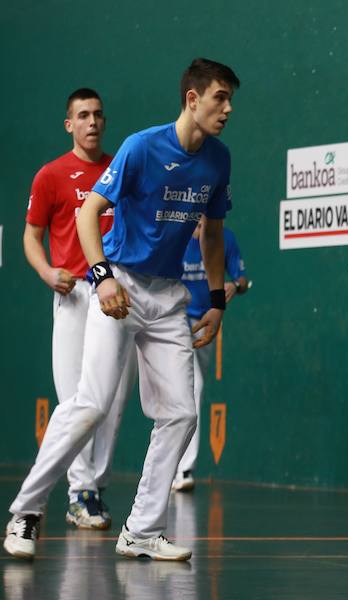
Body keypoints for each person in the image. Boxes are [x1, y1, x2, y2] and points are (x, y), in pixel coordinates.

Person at [4, 58, 240, 561]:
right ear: (192, 99)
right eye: (219, 98)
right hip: (121, 286)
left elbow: (213, 235)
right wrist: (102, 275)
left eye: (230, 99)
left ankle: (142, 529)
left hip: (169, 296)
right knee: (90, 403)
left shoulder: (218, 159)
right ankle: (26, 510)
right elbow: (89, 212)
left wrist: (217, 301)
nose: (227, 108)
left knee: (180, 412)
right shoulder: (141, 147)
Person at [22, 88, 137, 531]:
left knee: (111, 398)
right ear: (69, 124)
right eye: (83, 115)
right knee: (75, 398)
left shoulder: (120, 169)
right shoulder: (51, 175)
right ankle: (79, 491)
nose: (92, 122)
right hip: (72, 295)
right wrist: (47, 272)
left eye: (98, 115)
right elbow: (31, 236)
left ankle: (95, 488)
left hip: (116, 294)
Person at [172, 216, 248, 492]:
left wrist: (234, 286)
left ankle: (177, 465)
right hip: (176, 319)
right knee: (192, 388)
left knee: (190, 391)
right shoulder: (175, 237)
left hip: (209, 323)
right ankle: (183, 469)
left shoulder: (224, 238)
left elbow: (241, 278)